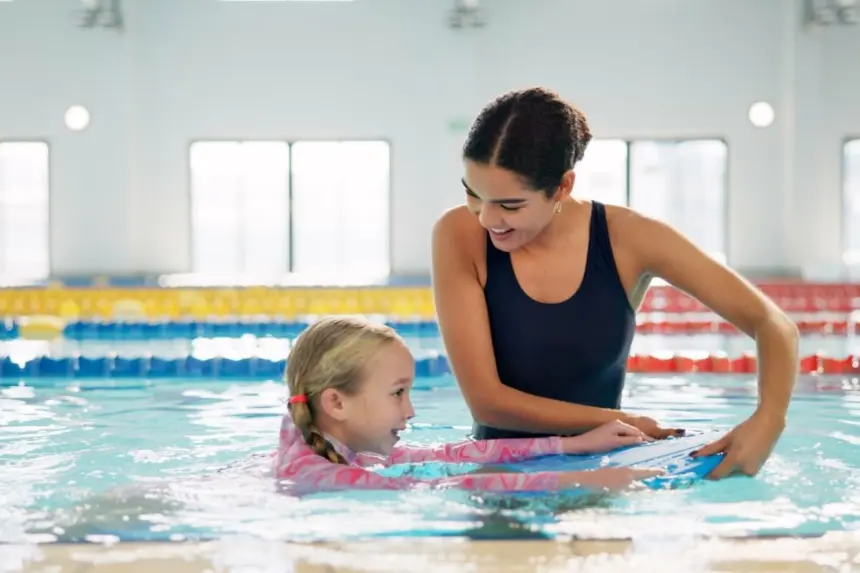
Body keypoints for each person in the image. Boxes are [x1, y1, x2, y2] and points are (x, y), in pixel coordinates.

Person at [430, 86, 799, 481]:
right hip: (500, 476)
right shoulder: (458, 234)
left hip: (603, 477)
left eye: (510, 205)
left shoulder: (629, 238)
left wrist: (770, 417)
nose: (487, 218)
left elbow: (773, 324)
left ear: (563, 187)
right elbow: (488, 403)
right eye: (473, 194)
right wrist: (623, 421)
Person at [272, 316, 663, 495]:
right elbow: (444, 484)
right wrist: (582, 481)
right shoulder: (315, 473)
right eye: (398, 393)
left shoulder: (335, 449)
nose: (410, 411)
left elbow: (450, 454)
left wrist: (572, 444)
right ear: (336, 402)